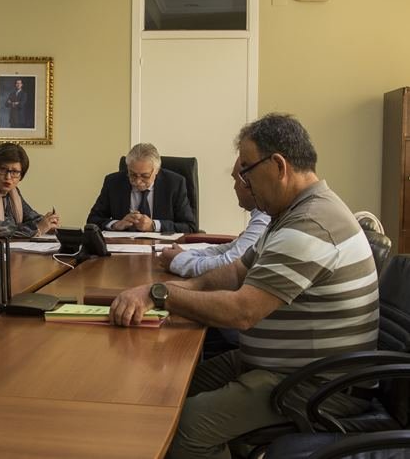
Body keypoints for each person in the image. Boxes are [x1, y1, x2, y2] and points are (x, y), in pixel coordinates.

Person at [111, 114, 378, 459]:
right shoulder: (291, 214)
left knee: (184, 427)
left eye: (247, 170)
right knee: (167, 389)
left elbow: (242, 312)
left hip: (316, 384)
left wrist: (160, 295)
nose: (245, 183)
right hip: (277, 367)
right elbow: (237, 272)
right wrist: (178, 288)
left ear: (278, 166)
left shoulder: (311, 223)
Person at [158, 161, 270, 278]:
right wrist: (185, 254)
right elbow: (226, 250)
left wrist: (179, 262)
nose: (235, 187)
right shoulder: (262, 214)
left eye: (236, 180)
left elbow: (232, 264)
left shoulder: (265, 216)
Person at [0, 143, 60, 243]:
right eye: (3, 169)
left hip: (6, 248)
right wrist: (36, 229)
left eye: (15, 172)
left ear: (21, 176)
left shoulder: (13, 193)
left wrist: (49, 222)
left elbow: (32, 217)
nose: (8, 177)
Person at [87, 143, 197, 233]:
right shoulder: (113, 182)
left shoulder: (174, 184)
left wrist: (154, 225)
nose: (138, 181)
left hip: (162, 248)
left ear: (156, 171)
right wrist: (116, 224)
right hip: (123, 246)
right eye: (132, 174)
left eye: (145, 176)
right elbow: (93, 220)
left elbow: (190, 227)